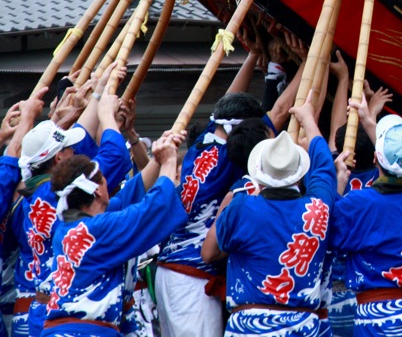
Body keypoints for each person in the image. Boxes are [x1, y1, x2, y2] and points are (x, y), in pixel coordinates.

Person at [156, 74, 294, 337]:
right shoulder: (230, 156)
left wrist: (253, 55)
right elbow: (281, 109)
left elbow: (226, 104)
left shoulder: (201, 143)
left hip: (174, 274)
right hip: (192, 278)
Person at [202, 95, 336, 336]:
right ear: (299, 174)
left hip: (248, 325)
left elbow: (209, 252)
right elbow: (325, 169)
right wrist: (308, 121)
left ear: (259, 173)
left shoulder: (240, 205)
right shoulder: (318, 208)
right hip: (302, 326)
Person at [11, 69, 131, 337]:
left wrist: (99, 90)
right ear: (58, 160)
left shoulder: (29, 194)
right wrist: (107, 116)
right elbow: (116, 157)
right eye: (69, 149)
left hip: (30, 309)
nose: (76, 151)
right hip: (57, 311)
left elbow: (81, 134)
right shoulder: (64, 190)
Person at [329, 86, 402, 337]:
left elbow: (327, 233)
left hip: (375, 316)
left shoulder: (358, 202)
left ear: (375, 159)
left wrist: (338, 186)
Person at [43, 131, 187, 336]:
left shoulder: (74, 227)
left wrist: (158, 158)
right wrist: (169, 161)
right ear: (97, 191)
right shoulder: (97, 229)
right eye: (103, 179)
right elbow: (150, 210)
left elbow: (130, 195)